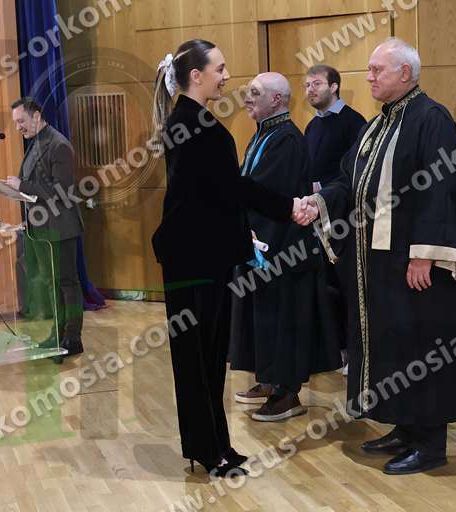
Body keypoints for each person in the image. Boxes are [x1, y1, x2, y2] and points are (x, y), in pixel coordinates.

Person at [294, 38, 456, 475]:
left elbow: (442, 191)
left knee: (422, 346)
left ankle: (430, 443)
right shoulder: (378, 125)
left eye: (377, 70)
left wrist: (425, 255)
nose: (369, 77)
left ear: (405, 73)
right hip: (380, 266)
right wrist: (318, 203)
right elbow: (348, 180)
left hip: (415, 265)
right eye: (370, 69)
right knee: (395, 345)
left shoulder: (432, 119)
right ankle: (404, 426)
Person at [150, 40, 302, 477]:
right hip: (192, 259)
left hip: (202, 255)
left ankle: (216, 444)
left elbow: (211, 196)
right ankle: (206, 448)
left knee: (210, 358)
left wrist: (241, 230)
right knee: (197, 361)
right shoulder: (193, 124)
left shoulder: (194, 121)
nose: (227, 76)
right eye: (220, 68)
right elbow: (232, 189)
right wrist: (289, 206)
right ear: (196, 76)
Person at [229, 72, 342, 421]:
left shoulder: (287, 139)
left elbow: (268, 195)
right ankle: (268, 379)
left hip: (283, 250)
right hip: (264, 244)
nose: (247, 98)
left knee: (283, 322)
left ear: (276, 100)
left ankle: (287, 394)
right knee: (261, 319)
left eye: (255, 92)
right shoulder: (265, 133)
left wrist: (249, 233)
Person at [7, 97, 85, 361]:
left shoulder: (58, 145)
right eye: (16, 122)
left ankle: (71, 338)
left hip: (60, 228)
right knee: (53, 283)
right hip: (42, 227)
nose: (18, 127)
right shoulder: (37, 142)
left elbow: (62, 192)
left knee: (66, 284)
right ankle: (58, 334)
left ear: (37, 116)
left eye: (21, 121)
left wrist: (22, 186)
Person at [303, 64, 366, 376]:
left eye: (316, 84)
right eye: (307, 85)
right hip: (318, 218)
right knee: (326, 287)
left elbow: (355, 173)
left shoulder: (353, 122)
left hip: (344, 221)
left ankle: (356, 352)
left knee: (347, 287)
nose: (310, 90)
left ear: (334, 86)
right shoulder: (311, 127)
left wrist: (325, 192)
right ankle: (335, 349)